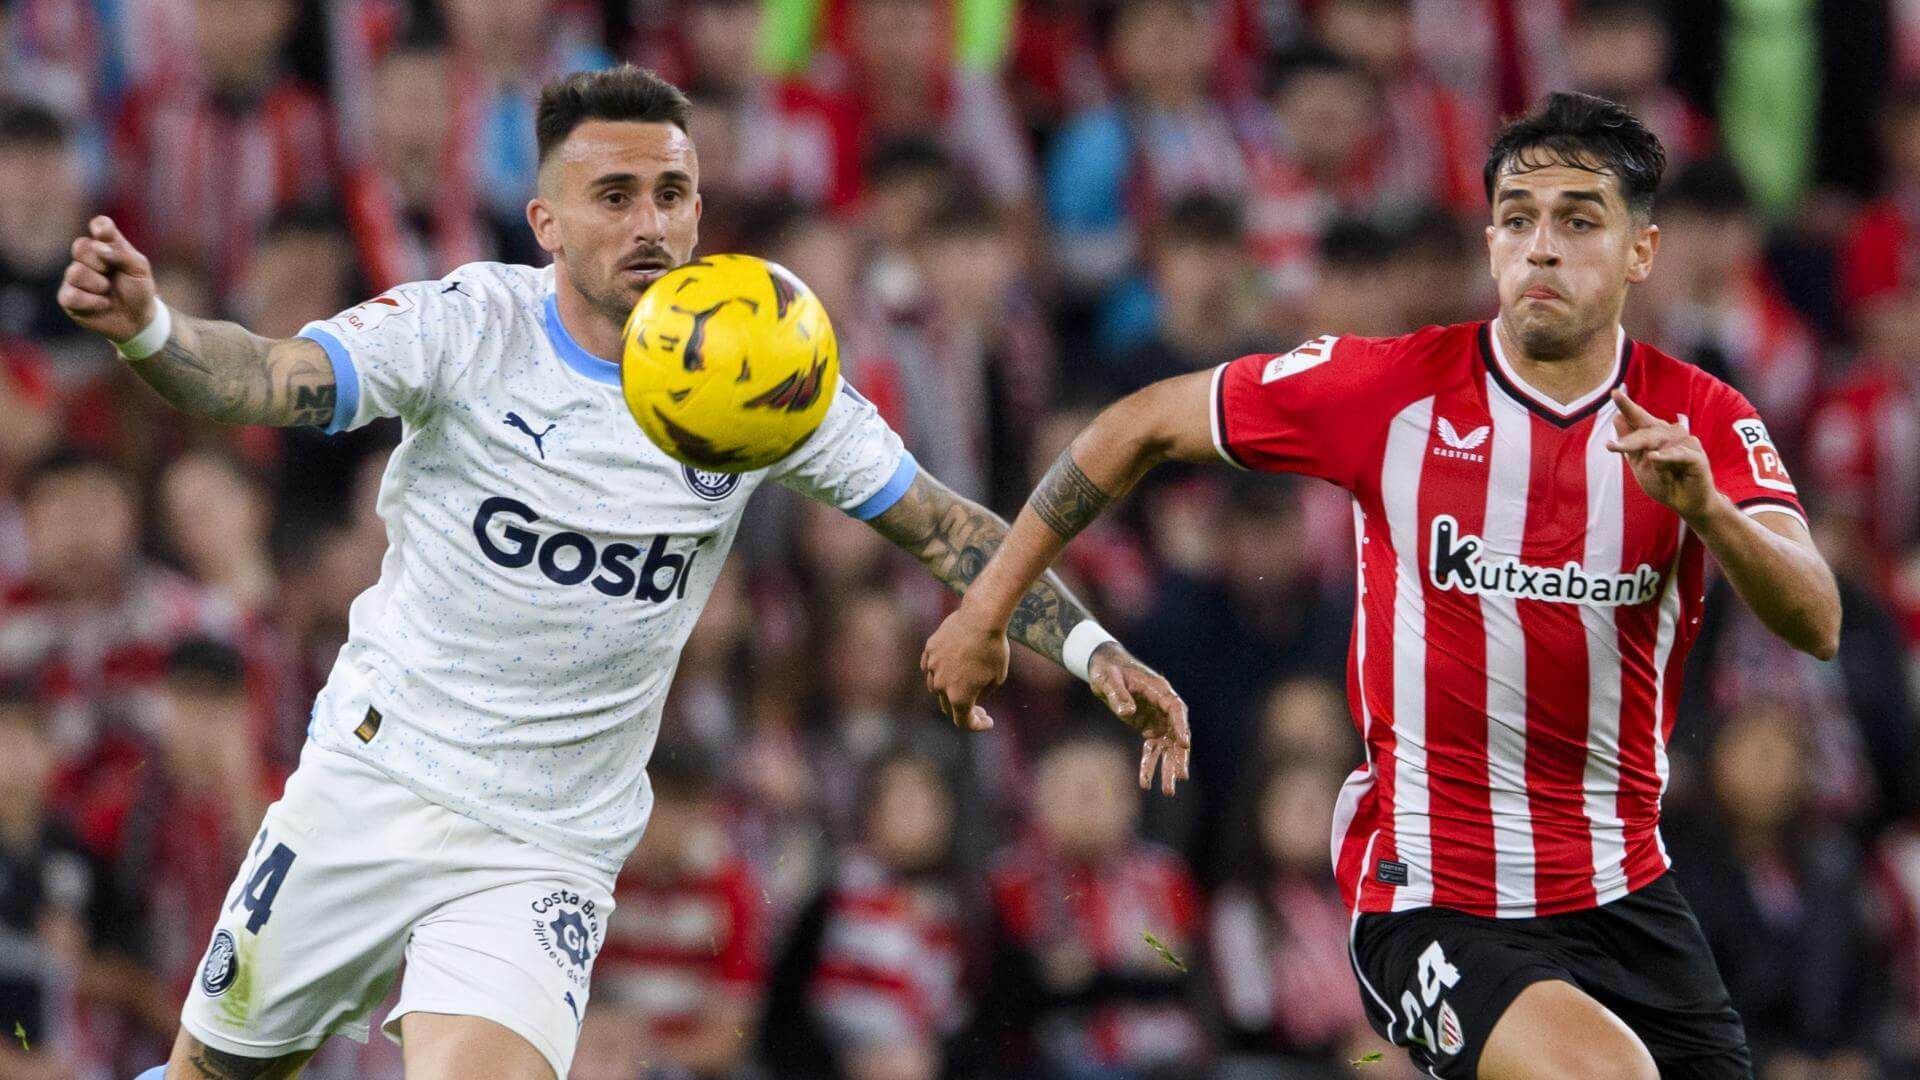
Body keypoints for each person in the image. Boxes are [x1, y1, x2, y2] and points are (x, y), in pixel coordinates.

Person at [56, 64, 1189, 1080]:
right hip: (376, 778)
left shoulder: (758, 367)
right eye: (615, 196)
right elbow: (269, 375)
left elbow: (945, 529)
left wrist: (1093, 651)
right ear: (546, 221)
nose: (650, 223)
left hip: (547, 840)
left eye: (672, 194)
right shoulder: (470, 325)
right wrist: (152, 329)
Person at [923, 91, 1843, 1079]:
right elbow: (1135, 425)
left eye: (1579, 222)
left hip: (1623, 891)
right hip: (1432, 896)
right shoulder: (1393, 390)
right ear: (1490, 244)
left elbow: (1817, 619)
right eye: (1518, 220)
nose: (1541, 247)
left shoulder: (1703, 417)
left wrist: (1711, 514)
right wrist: (986, 609)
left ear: (1640, 252)